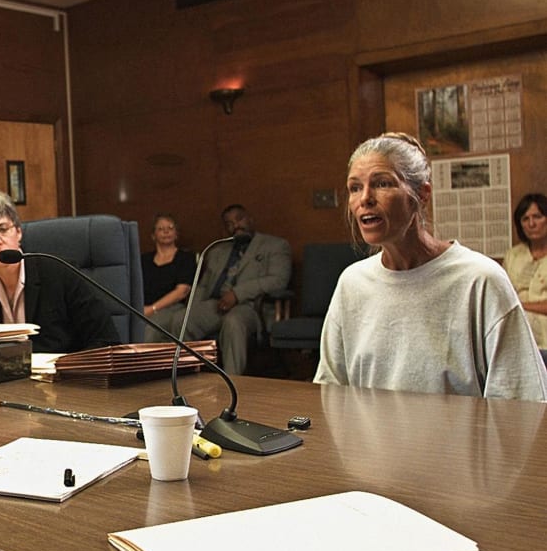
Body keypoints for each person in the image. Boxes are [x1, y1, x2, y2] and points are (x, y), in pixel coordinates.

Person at [315, 132, 547, 401]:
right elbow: (330, 391)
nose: (364, 198)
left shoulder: (481, 280)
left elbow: (521, 403)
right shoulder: (351, 283)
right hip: (368, 443)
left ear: (422, 194)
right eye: (355, 187)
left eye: (382, 183)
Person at [0, 190, 120, 353]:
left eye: (3, 229)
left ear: (19, 232)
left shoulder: (58, 272)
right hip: (1, 387)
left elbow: (106, 341)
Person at [150, 204, 291, 375]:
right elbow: (203, 286)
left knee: (233, 323)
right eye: (229, 223)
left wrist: (237, 294)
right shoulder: (217, 250)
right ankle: (185, 378)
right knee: (182, 319)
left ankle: (232, 382)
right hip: (215, 305)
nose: (236, 225)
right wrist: (192, 309)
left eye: (239, 219)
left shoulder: (275, 246)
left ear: (250, 219)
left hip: (250, 307)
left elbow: (278, 280)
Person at [503, 193, 547, 350]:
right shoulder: (513, 256)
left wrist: (520, 305)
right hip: (519, 339)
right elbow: (503, 297)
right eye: (525, 219)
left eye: (537, 217)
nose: (532, 224)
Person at [140, 213, 196, 336]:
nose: (166, 231)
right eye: (160, 229)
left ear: (176, 234)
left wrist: (152, 309)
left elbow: (182, 291)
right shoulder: (143, 260)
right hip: (142, 309)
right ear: (153, 235)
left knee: (148, 332)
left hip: (172, 309)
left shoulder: (186, 258)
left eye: (170, 228)